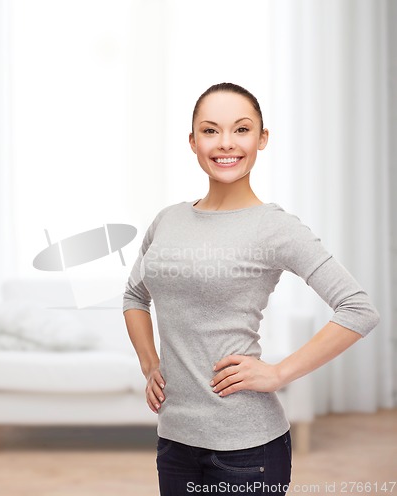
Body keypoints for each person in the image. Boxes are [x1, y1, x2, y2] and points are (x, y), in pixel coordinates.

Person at [122, 82, 380, 496]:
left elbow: (358, 308)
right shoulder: (167, 220)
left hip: (247, 449)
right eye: (210, 130)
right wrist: (149, 363)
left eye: (241, 130)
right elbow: (135, 295)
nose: (226, 143)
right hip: (174, 439)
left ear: (262, 139)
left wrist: (279, 373)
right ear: (192, 142)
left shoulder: (274, 227)